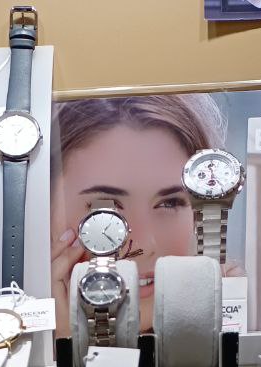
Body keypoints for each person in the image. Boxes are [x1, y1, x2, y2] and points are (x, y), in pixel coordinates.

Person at [49, 93, 243, 336]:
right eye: (106, 208)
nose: (144, 245)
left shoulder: (244, 323)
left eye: (169, 204)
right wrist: (62, 347)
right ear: (43, 213)